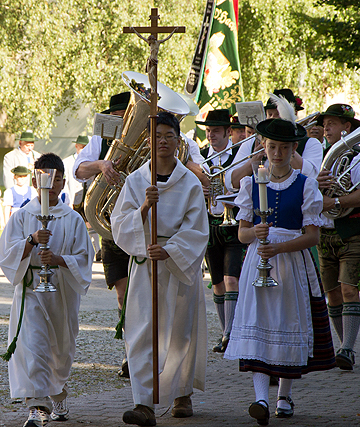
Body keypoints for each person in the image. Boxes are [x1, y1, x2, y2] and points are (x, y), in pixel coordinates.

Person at [224, 114, 335, 425]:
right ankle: (260, 397)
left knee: (287, 322)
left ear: (292, 150)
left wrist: (279, 246)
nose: (277, 153)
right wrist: (255, 236)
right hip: (257, 261)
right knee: (258, 322)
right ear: (263, 146)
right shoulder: (250, 183)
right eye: (272, 146)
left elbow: (312, 235)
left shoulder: (305, 185)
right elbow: (242, 233)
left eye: (284, 148)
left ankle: (283, 395)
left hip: (290, 262)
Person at [111, 112, 209, 425]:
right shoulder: (137, 181)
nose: (162, 141)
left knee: (178, 332)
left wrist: (169, 249)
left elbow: (197, 228)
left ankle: (181, 393)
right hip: (144, 264)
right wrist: (144, 207)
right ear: (149, 142)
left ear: (178, 142)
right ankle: (143, 403)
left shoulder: (190, 184)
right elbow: (118, 225)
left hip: (177, 265)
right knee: (141, 331)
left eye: (169, 135)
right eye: (157, 136)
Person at [0, 153, 93, 427]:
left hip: (62, 292)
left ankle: (58, 392)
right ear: (33, 180)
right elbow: (5, 254)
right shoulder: (22, 216)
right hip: (30, 291)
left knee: (59, 351)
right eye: (44, 179)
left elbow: (85, 258)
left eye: (56, 180)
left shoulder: (73, 219)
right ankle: (37, 407)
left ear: (63, 183)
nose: (50, 186)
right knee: (32, 345)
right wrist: (30, 242)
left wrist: (60, 260)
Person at [74, 91, 133, 376]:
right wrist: (101, 165)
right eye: (118, 117)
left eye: (127, 116)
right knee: (123, 295)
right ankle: (130, 354)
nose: (123, 121)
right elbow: (78, 169)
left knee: (145, 294)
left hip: (142, 226)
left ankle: (147, 352)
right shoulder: (100, 140)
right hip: (111, 227)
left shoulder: (149, 138)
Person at [315, 104, 360, 370]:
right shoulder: (317, 156)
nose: (326, 128)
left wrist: (335, 199)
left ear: (347, 128)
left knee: (349, 289)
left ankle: (348, 348)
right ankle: (342, 346)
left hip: (351, 230)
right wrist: (317, 187)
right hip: (324, 233)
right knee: (333, 295)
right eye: (325, 123)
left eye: (332, 124)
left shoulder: (359, 157)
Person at [196, 108, 246, 353]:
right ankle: (225, 331)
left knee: (231, 279)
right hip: (209, 225)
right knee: (216, 283)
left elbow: (245, 185)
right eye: (207, 131)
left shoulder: (240, 154)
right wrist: (200, 192)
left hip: (233, 224)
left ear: (228, 131)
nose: (211, 135)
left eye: (215, 130)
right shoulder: (201, 157)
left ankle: (231, 334)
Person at [225, 89, 324, 192]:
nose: (272, 119)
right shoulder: (251, 143)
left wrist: (289, 148)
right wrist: (252, 162)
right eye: (270, 114)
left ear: (292, 114)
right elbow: (231, 183)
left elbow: (311, 177)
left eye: (278, 114)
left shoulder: (311, 143)